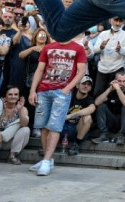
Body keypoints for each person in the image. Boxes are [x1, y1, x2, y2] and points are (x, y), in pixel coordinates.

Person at [28, 36, 87, 176]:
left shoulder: (78, 48)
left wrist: (67, 89)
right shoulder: (48, 47)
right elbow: (40, 70)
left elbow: (82, 71)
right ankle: (47, 159)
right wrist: (33, 90)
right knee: (43, 127)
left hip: (62, 92)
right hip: (43, 90)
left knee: (54, 126)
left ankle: (47, 160)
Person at [93, 71, 125, 145]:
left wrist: (118, 89)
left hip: (124, 122)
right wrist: (109, 89)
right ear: (115, 81)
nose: (122, 84)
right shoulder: (110, 90)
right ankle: (103, 134)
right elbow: (97, 102)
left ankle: (122, 135)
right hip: (112, 119)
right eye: (119, 81)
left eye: (124, 81)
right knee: (101, 106)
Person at [62, 75, 95, 156]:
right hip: (63, 128)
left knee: (88, 117)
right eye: (84, 83)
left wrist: (71, 115)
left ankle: (76, 145)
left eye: (89, 85)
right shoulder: (69, 95)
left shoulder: (90, 99)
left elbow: (92, 109)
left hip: (76, 130)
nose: (86, 86)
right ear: (77, 85)